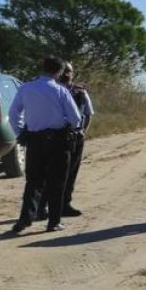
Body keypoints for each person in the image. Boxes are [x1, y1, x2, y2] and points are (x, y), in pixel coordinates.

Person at [8, 56, 82, 234]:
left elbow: (13, 113)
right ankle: (53, 222)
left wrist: (20, 133)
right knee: (56, 182)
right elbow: (76, 118)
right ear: (59, 72)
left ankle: (26, 217)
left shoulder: (25, 88)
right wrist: (65, 123)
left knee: (33, 181)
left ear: (42, 68)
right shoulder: (60, 91)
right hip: (58, 141)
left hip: (34, 140)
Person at [58, 62, 94, 217]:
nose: (66, 74)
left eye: (69, 71)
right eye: (64, 71)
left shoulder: (80, 91)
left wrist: (82, 132)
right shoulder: (53, 90)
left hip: (74, 137)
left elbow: (88, 113)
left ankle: (65, 204)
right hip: (55, 136)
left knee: (71, 173)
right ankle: (44, 207)